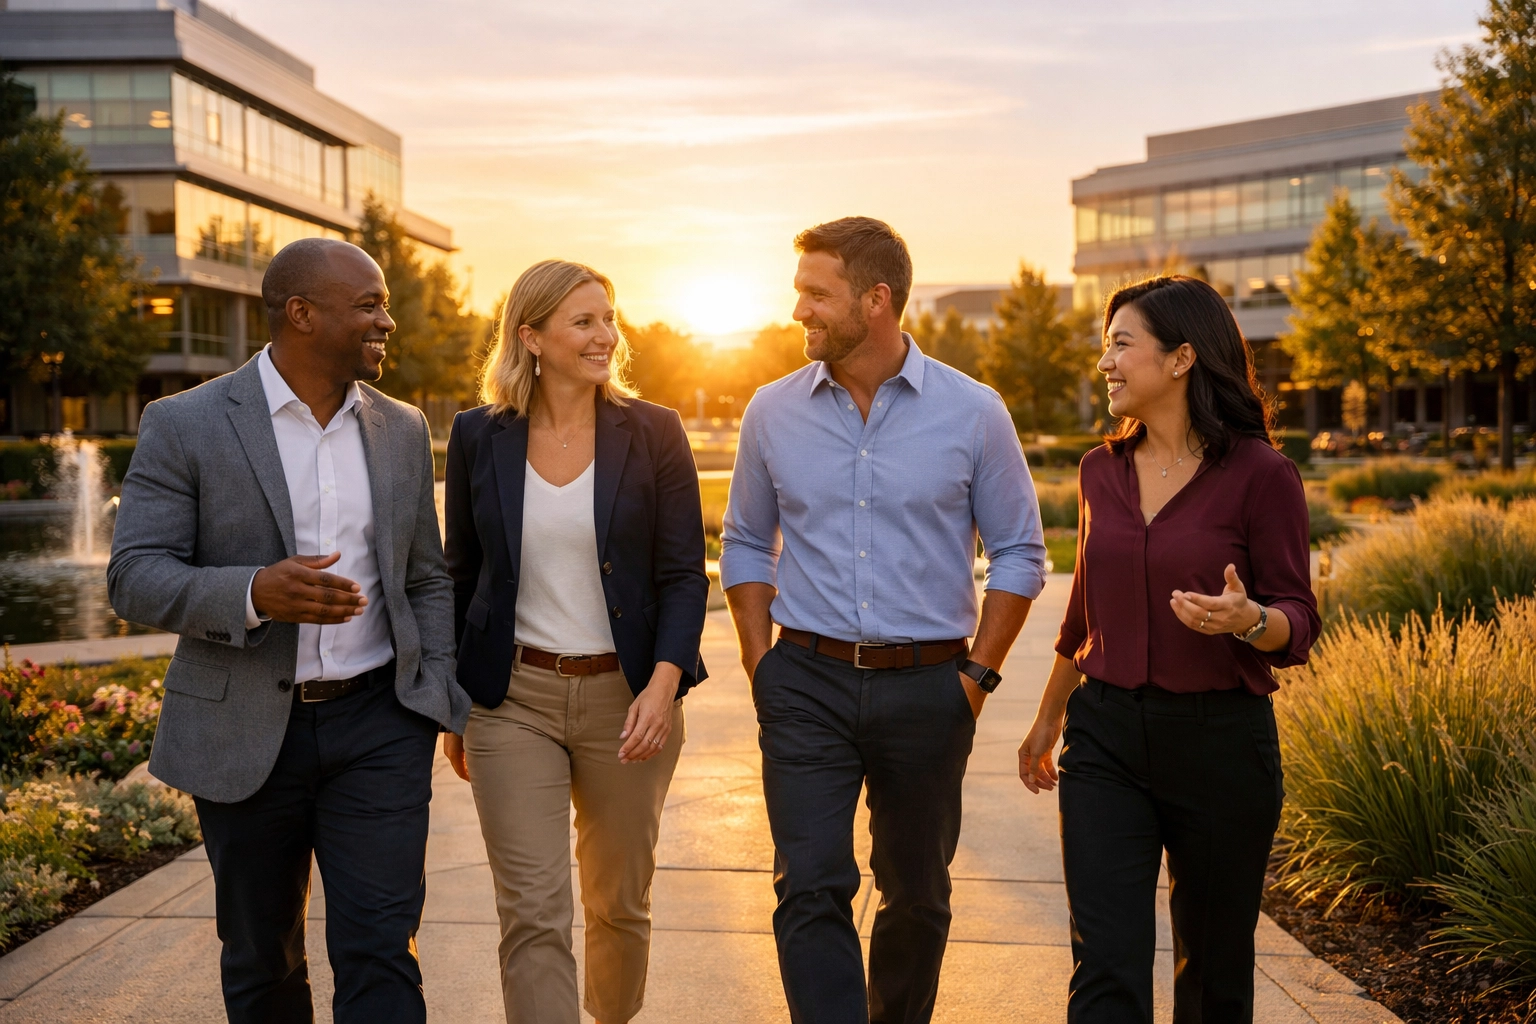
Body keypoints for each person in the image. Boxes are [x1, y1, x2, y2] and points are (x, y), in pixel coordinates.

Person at [107, 238, 470, 1023]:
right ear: (302, 314)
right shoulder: (186, 423)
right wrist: (254, 592)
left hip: (379, 725)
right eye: (369, 304)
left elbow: (424, 577)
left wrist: (435, 693)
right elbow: (133, 576)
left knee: (381, 949)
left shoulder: (402, 428)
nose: (388, 319)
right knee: (262, 960)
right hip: (243, 733)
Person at [720, 216, 1048, 1024]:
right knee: (808, 881)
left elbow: (1019, 553)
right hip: (806, 683)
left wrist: (974, 679)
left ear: (876, 300)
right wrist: (763, 663)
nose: (798, 310)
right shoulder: (772, 411)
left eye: (815, 293)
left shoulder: (975, 412)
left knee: (918, 896)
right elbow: (743, 541)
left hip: (931, 687)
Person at [1017, 275, 1321, 1024]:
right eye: (1105, 346)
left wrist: (1249, 620)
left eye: (1122, 344)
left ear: (1183, 357)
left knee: (1214, 974)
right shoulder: (1100, 471)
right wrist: (1048, 717)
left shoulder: (1261, 475)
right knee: (1104, 966)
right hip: (1107, 740)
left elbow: (1299, 620)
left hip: (1221, 747)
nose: (1107, 363)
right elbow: (1084, 607)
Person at [440, 259, 709, 1024]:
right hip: (511, 699)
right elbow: (461, 574)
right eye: (582, 321)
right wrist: (455, 703)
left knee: (619, 904)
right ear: (531, 336)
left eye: (608, 317)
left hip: (628, 699)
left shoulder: (653, 430)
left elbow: (685, 574)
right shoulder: (476, 435)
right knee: (532, 909)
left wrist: (664, 686)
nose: (605, 335)